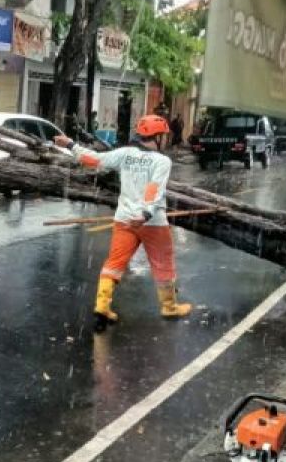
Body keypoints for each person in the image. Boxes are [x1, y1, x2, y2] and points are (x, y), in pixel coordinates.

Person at [54, 114, 191, 331]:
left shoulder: (125, 154)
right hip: (152, 222)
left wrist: (71, 144)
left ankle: (102, 306)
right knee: (163, 263)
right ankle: (169, 307)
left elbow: (94, 160)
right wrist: (145, 214)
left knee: (114, 263)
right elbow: (154, 188)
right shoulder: (162, 161)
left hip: (124, 220)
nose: (166, 139)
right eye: (164, 135)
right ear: (156, 137)